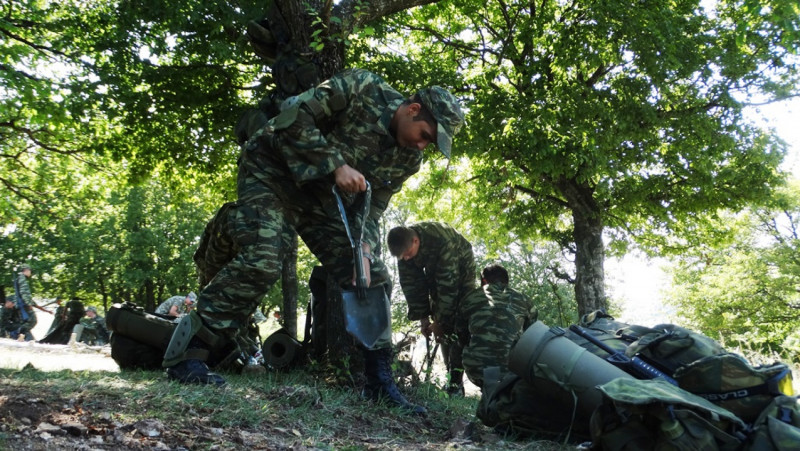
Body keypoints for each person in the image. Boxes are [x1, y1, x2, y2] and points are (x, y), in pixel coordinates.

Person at [163, 68, 464, 415]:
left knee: (372, 276)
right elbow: (293, 116)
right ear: (412, 110)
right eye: (425, 134)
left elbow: (374, 205)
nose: (422, 145)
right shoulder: (363, 87)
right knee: (264, 258)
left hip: (322, 202)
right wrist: (335, 165)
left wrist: (363, 250)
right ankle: (187, 356)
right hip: (272, 172)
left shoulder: (409, 158)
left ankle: (379, 383)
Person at [386, 222, 476, 396]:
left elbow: (448, 288)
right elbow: (413, 287)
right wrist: (424, 319)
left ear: (415, 241)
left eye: (408, 254)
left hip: (461, 276)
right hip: (437, 275)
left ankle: (455, 384)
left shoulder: (442, 241)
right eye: (402, 257)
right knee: (440, 326)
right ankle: (450, 379)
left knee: (456, 323)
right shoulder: (405, 251)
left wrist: (439, 322)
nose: (406, 258)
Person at [457, 264, 537, 391]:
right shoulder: (524, 300)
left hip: (476, 368)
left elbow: (460, 333)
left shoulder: (470, 298)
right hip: (512, 370)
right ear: (507, 281)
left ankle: (455, 386)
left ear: (483, 280)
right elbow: (531, 335)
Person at [10, 264, 37, 341]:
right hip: (24, 304)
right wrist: (29, 303)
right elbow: (24, 292)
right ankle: (17, 332)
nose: (30, 273)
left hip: (20, 304)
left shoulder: (19, 278)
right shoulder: (22, 278)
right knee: (33, 321)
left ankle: (26, 338)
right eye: (30, 271)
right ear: (26, 270)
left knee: (24, 322)